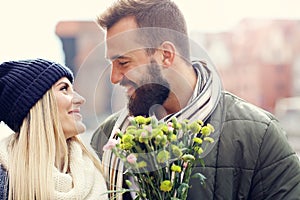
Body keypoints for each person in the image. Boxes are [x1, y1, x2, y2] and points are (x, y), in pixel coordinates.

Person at [90, 0, 300, 199]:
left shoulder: (259, 136)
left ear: (166, 55)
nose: (114, 78)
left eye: (123, 63)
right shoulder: (106, 138)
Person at [0, 58, 108, 200]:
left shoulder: (98, 170)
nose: (80, 99)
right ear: (38, 105)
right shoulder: (5, 179)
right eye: (64, 89)